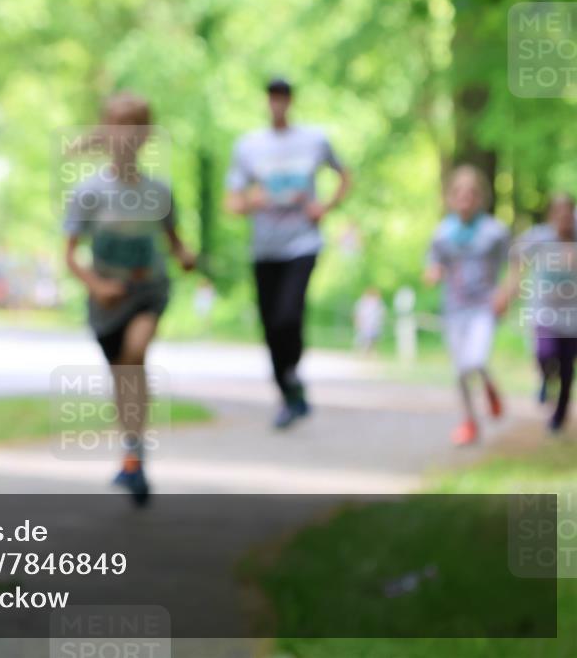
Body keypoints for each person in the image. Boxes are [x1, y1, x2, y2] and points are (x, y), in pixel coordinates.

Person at [63, 91, 195, 505]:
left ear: (147, 135)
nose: (127, 134)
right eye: (119, 125)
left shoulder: (159, 192)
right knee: (123, 375)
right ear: (106, 132)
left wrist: (185, 255)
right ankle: (133, 454)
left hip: (148, 292)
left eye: (136, 125)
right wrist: (97, 286)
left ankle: (134, 456)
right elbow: (69, 257)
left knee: (135, 354)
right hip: (106, 302)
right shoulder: (89, 193)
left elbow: (175, 243)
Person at [224, 77, 351, 429]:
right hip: (264, 248)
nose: (276, 104)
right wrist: (254, 200)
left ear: (290, 101)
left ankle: (292, 375)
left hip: (302, 243)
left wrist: (325, 207)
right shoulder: (249, 146)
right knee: (270, 326)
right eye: (271, 98)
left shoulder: (314, 140)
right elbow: (232, 201)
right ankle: (289, 395)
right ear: (266, 102)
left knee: (288, 315)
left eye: (282, 97)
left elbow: (345, 175)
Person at [425, 165, 510, 446]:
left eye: (471, 193)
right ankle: (470, 422)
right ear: (450, 197)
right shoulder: (442, 233)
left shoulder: (495, 232)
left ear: (481, 198)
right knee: (460, 370)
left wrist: (505, 294)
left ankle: (489, 387)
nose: (465, 199)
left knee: (475, 360)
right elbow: (433, 263)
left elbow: (514, 266)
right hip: (454, 308)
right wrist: (433, 272)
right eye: (458, 193)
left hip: (483, 308)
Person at [495, 192, 577, 435]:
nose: (564, 218)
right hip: (545, 312)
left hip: (573, 316)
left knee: (567, 368)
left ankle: (559, 417)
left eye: (568, 212)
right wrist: (511, 288)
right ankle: (543, 377)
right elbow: (516, 254)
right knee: (545, 353)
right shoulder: (540, 237)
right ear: (551, 215)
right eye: (558, 213)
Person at [353, 287, 386, 354]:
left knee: (373, 340)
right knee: (363, 339)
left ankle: (370, 353)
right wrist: (358, 322)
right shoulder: (363, 302)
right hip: (365, 325)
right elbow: (357, 313)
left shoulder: (378, 303)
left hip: (374, 325)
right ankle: (361, 352)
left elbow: (382, 314)